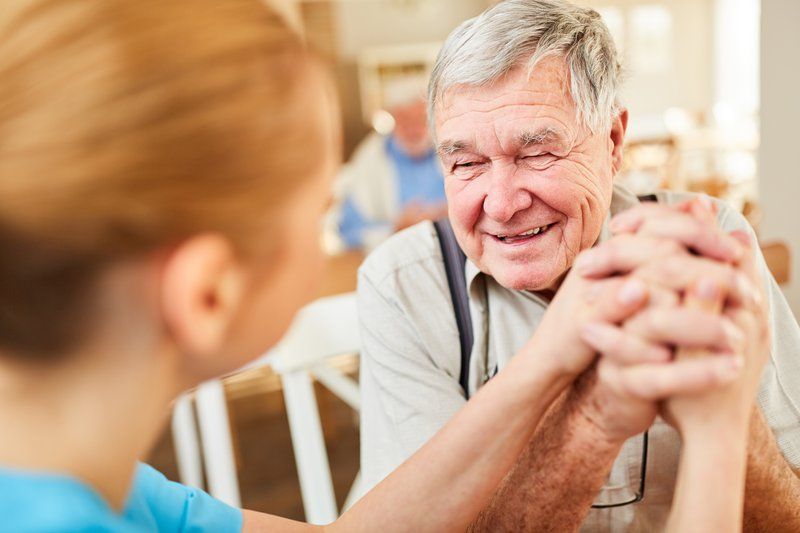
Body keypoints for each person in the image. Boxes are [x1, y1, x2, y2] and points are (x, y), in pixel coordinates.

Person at [0, 0, 760, 532]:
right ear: (207, 294)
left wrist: (555, 356)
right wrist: (719, 429)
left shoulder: (120, 494)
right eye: (316, 205)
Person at [358, 0, 800, 531]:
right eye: (466, 163)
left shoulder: (705, 241)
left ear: (613, 142)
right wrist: (591, 420)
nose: (500, 205)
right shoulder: (404, 287)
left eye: (537, 154)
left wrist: (728, 416)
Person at [335, 80, 447, 250]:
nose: (413, 129)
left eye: (420, 119)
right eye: (405, 120)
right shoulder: (370, 159)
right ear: (392, 118)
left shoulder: (450, 150)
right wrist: (395, 229)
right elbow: (347, 231)